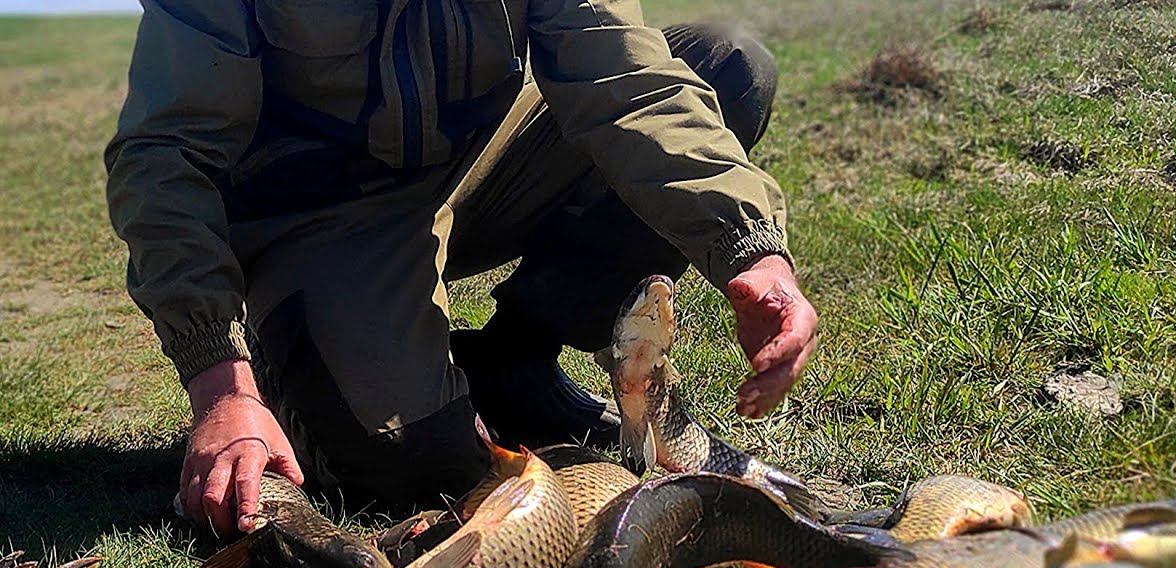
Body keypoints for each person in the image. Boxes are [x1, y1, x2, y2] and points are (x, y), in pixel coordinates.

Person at [105, 0, 818, 537]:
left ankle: (514, 363)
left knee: (725, 65)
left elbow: (632, 82)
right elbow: (166, 155)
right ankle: (292, 351)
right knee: (411, 467)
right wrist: (218, 383)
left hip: (473, 160)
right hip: (322, 213)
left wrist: (752, 248)